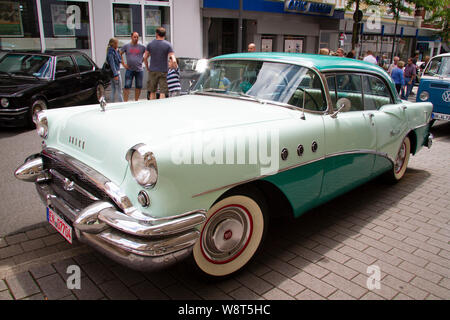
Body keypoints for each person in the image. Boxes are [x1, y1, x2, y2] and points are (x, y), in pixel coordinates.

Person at [143, 27, 177, 100]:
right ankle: (161, 107)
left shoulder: (150, 44)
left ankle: (152, 107)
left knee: (152, 91)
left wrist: (147, 67)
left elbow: (145, 58)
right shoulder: (168, 45)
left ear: (157, 34)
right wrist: (174, 66)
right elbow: (173, 58)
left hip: (152, 70)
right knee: (163, 92)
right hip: (163, 71)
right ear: (164, 35)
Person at [120, 32, 146, 102]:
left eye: (137, 37)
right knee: (127, 86)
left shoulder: (142, 47)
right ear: (131, 37)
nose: (136, 39)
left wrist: (142, 60)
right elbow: (119, 53)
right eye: (134, 37)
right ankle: (125, 101)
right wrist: (123, 64)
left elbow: (147, 53)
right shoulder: (127, 46)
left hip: (139, 70)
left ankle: (136, 101)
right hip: (129, 69)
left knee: (139, 86)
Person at [106, 37, 123, 102]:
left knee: (113, 89)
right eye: (117, 43)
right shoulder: (111, 52)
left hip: (113, 73)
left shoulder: (114, 51)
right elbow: (112, 64)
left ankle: (112, 103)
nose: (118, 45)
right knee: (119, 91)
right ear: (114, 44)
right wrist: (115, 74)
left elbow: (119, 60)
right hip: (115, 73)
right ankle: (121, 104)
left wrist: (118, 52)